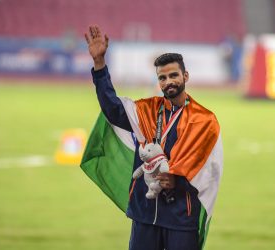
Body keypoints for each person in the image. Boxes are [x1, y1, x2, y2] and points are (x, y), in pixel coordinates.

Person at [83, 25, 223, 250]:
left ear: (185, 76)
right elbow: (112, 108)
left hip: (181, 216)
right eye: (163, 77)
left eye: (174, 75)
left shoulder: (204, 119)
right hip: (145, 214)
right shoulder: (146, 110)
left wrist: (179, 180)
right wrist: (99, 65)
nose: (169, 82)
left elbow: (209, 169)